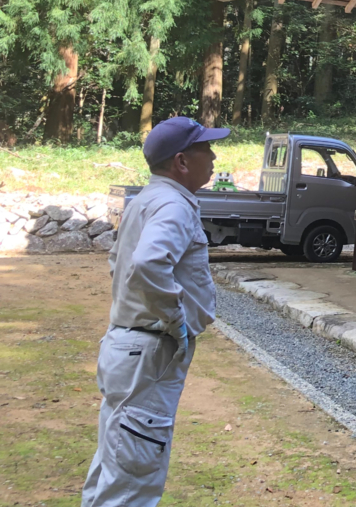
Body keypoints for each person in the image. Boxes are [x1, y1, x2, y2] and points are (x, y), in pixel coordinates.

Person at [82, 116, 228, 507]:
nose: (213, 156)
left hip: (128, 349)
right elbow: (147, 263)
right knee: (133, 480)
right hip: (150, 351)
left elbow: (119, 261)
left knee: (116, 464)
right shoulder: (173, 205)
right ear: (181, 161)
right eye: (206, 149)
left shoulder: (146, 199)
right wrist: (174, 319)